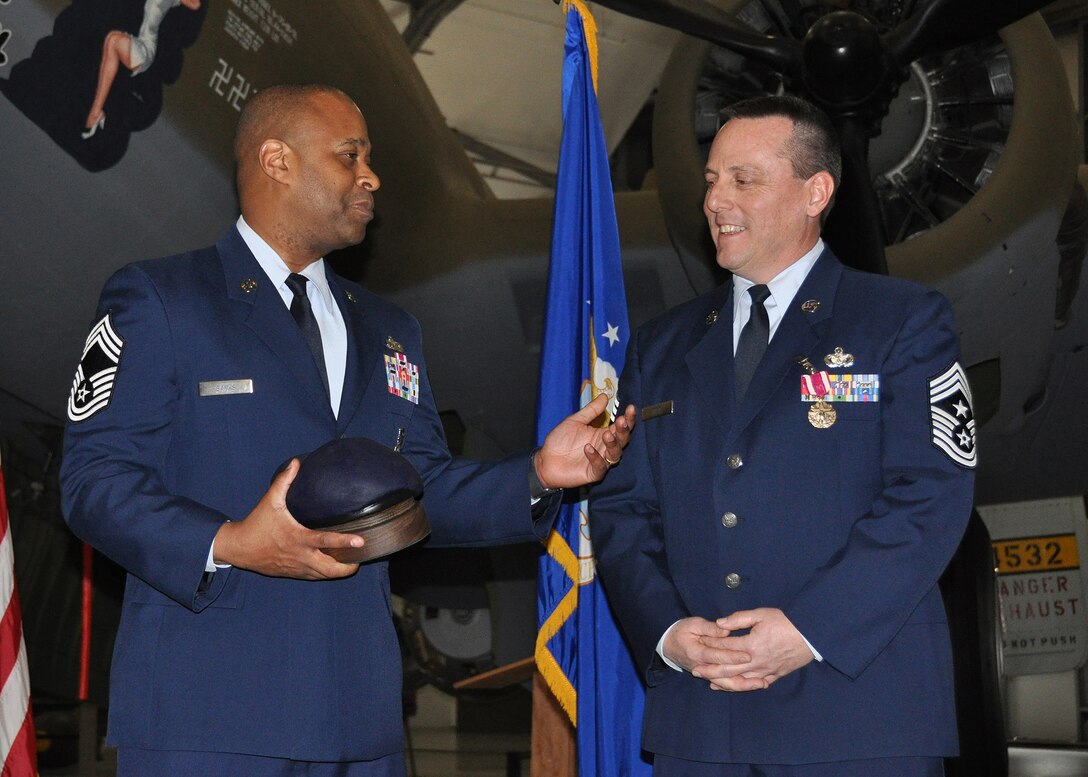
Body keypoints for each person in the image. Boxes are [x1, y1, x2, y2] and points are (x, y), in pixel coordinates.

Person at [61, 83, 636, 776]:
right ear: (277, 160)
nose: (372, 177)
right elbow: (95, 483)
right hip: (209, 719)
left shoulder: (391, 330)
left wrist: (540, 472)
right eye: (350, 155)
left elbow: (423, 492)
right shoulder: (159, 299)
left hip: (360, 727)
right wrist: (233, 542)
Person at [589, 95, 976, 777]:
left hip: (861, 717)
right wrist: (672, 633)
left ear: (815, 192)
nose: (716, 200)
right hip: (703, 723)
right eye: (711, 179)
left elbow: (931, 495)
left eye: (745, 179)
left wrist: (809, 630)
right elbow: (623, 511)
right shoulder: (661, 347)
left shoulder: (900, 322)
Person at [82, 0, 202, 138]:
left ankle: (96, 111)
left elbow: (196, 4)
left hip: (146, 50)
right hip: (138, 40)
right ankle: (96, 111)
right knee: (111, 41)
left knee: (113, 40)